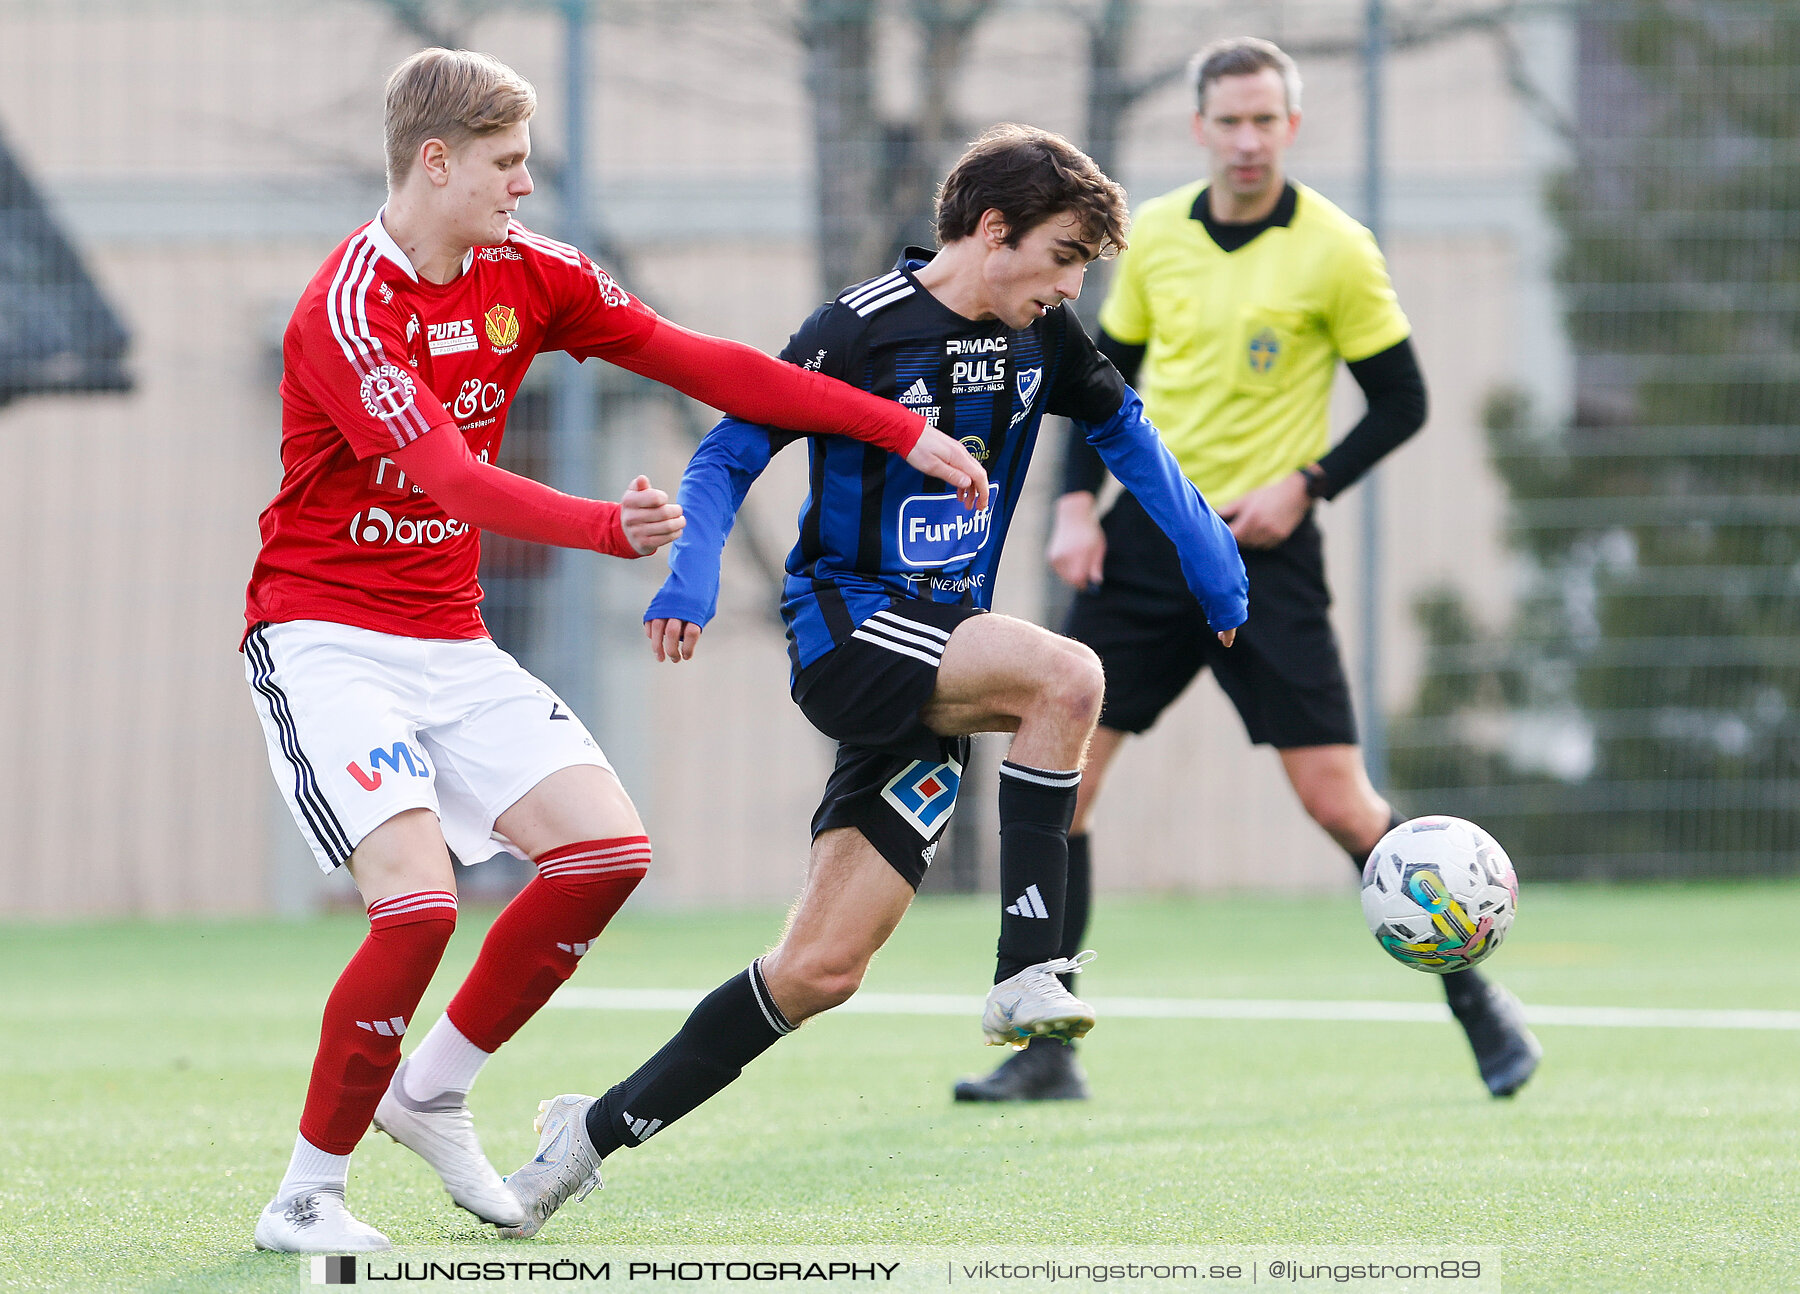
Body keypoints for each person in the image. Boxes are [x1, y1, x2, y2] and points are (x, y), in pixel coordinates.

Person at [242, 47, 989, 1254]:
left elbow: (709, 364)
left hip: (448, 635)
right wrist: (606, 526)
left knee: (603, 853)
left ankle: (426, 1093)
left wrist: (896, 425)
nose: (524, 186)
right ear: (435, 163)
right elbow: (446, 477)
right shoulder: (350, 309)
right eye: (505, 164)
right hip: (326, 640)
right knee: (419, 907)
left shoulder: (531, 274)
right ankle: (305, 1193)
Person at [494, 123, 1248, 1238]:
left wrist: (1218, 572)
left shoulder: (1050, 339)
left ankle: (586, 1133)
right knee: (1069, 679)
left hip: (937, 654)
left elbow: (1132, 439)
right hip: (850, 632)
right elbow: (728, 453)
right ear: (992, 234)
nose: (1066, 286)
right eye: (1057, 257)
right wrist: (693, 573)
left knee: (818, 969)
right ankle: (1027, 968)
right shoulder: (858, 330)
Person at [953, 37, 1541, 1106]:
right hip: (1145, 545)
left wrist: (1306, 485)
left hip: (1269, 553)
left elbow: (1402, 401)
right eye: (1228, 119)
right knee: (1064, 780)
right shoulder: (1162, 234)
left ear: (1291, 128)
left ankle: (1480, 1005)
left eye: (1266, 119)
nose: (1246, 138)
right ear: (1200, 129)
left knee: (1336, 800)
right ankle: (1046, 1048)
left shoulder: (1336, 248)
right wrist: (1079, 504)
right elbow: (1103, 385)